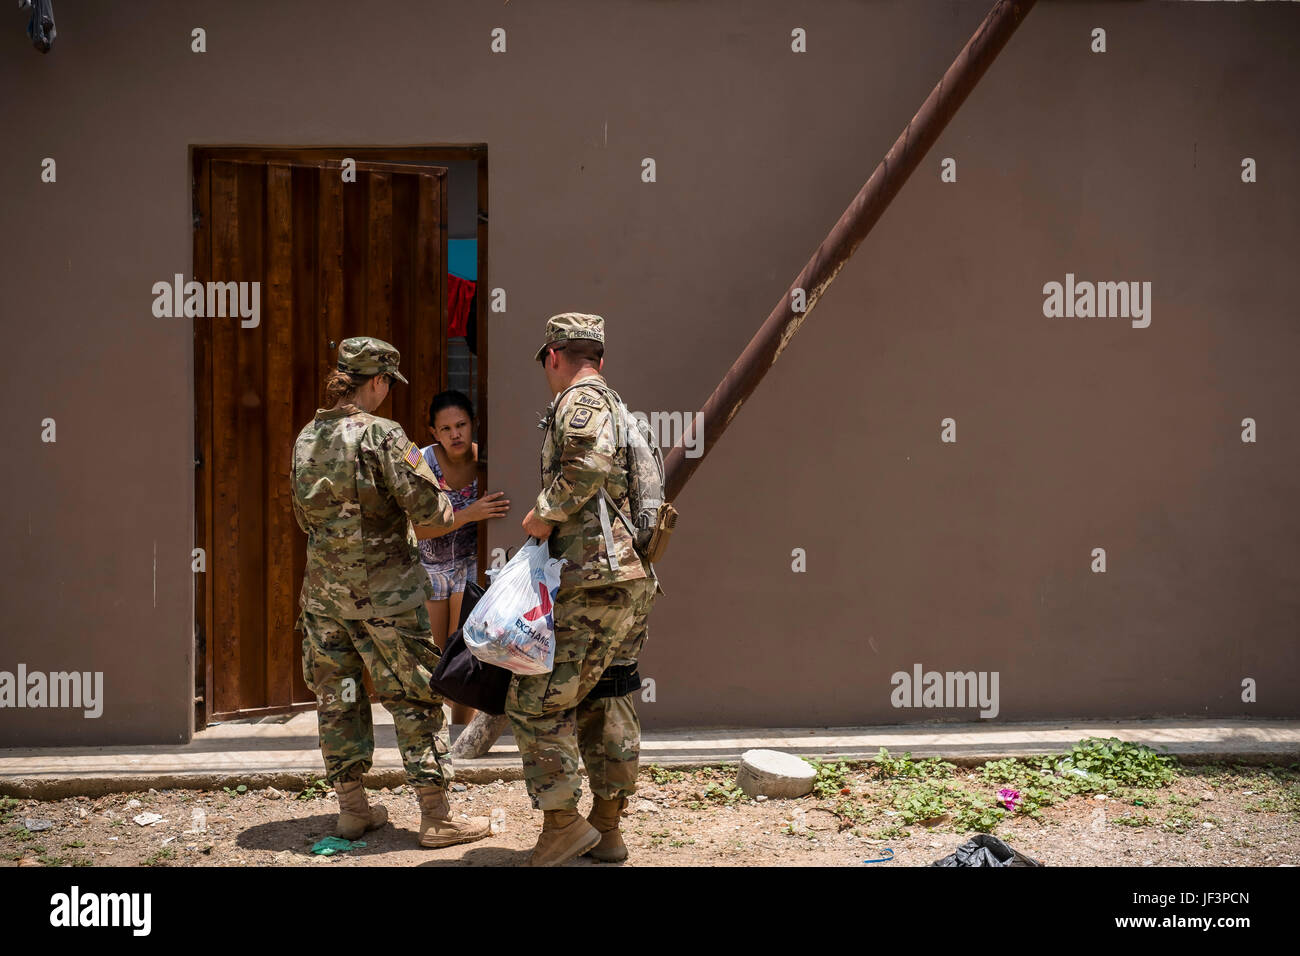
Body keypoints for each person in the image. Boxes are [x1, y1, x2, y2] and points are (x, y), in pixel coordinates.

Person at [290, 336, 491, 849]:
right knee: (415, 698)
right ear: (377, 381)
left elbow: (301, 517)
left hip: (323, 597)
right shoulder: (385, 436)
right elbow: (433, 512)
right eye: (387, 384)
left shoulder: (306, 437)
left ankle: (353, 810)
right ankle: (437, 816)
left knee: (339, 699)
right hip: (388, 597)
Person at [512, 312, 657, 866]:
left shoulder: (582, 401)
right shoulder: (618, 403)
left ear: (554, 355)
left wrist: (543, 514)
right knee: (609, 696)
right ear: (600, 355)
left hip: (593, 578)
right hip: (627, 579)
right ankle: (607, 827)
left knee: (534, 700)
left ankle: (563, 823)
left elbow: (587, 464)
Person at [412, 390, 509, 725]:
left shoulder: (488, 462)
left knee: (464, 653)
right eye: (446, 428)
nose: (455, 434)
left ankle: (459, 732)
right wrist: (469, 513)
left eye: (461, 425)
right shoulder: (422, 463)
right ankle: (431, 736)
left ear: (474, 425)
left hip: (469, 563)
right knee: (434, 658)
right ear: (433, 433)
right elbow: (414, 529)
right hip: (430, 566)